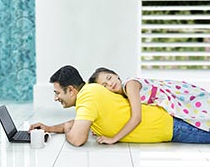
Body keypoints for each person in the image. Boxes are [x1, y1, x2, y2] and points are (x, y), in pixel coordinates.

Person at [29, 65, 210, 146]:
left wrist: (70, 129)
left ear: (71, 90)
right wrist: (50, 128)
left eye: (57, 93)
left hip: (173, 126)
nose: (55, 98)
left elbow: (77, 139)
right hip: (168, 122)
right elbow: (82, 121)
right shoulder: (91, 93)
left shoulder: (88, 96)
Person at [88, 67, 210, 144]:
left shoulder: (130, 85)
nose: (110, 83)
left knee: (202, 115)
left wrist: (114, 138)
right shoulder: (120, 96)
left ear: (116, 75)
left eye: (109, 78)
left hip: (180, 96)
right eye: (105, 85)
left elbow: (136, 117)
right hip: (172, 103)